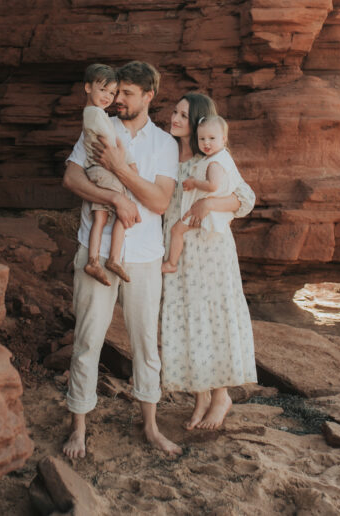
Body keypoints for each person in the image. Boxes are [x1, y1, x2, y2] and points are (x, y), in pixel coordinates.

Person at [61, 61, 182, 459]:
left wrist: (117, 170)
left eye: (128, 93)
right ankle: (78, 426)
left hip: (145, 257)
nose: (118, 100)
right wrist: (112, 197)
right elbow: (72, 178)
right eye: (117, 92)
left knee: (146, 344)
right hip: (93, 251)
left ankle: (150, 425)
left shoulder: (165, 144)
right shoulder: (100, 127)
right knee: (86, 342)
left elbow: (160, 201)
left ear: (149, 96)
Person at [160, 94, 258, 430]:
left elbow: (245, 198)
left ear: (199, 121)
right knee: (188, 318)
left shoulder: (213, 158)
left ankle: (221, 397)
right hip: (178, 247)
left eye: (183, 115)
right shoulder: (166, 154)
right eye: (174, 111)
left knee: (213, 316)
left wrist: (208, 206)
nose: (174, 118)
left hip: (210, 250)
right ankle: (200, 395)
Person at [78, 63, 136, 286]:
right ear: (87, 88)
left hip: (95, 171)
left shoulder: (93, 114)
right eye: (103, 90)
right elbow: (109, 144)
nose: (108, 96)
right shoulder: (95, 114)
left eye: (112, 92)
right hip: (104, 171)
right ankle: (114, 258)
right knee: (125, 210)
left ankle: (93, 260)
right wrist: (126, 161)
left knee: (100, 218)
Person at [162, 115, 243, 274]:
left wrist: (193, 182)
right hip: (212, 210)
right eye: (202, 138)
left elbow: (212, 185)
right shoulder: (223, 157)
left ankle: (171, 263)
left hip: (203, 211)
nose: (206, 143)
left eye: (212, 138)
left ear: (224, 138)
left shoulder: (213, 163)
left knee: (176, 230)